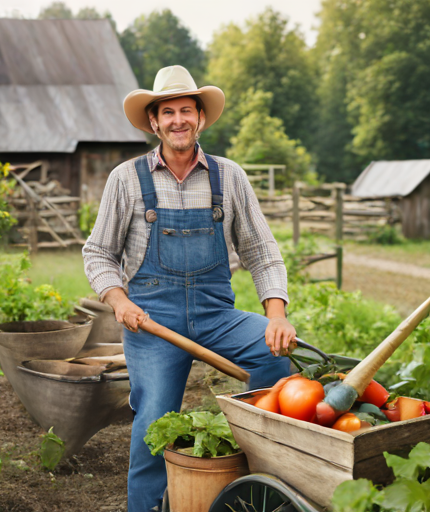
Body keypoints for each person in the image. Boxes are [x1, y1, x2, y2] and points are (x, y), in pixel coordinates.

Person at [83, 65, 296, 512]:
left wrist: (276, 315)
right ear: (154, 122)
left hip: (216, 314)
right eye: (168, 112)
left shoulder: (229, 177)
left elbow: (261, 251)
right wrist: (119, 300)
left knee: (280, 361)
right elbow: (98, 252)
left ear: (200, 118)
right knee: (154, 425)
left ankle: (257, 479)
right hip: (152, 323)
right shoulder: (127, 178)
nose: (178, 119)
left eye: (186, 110)